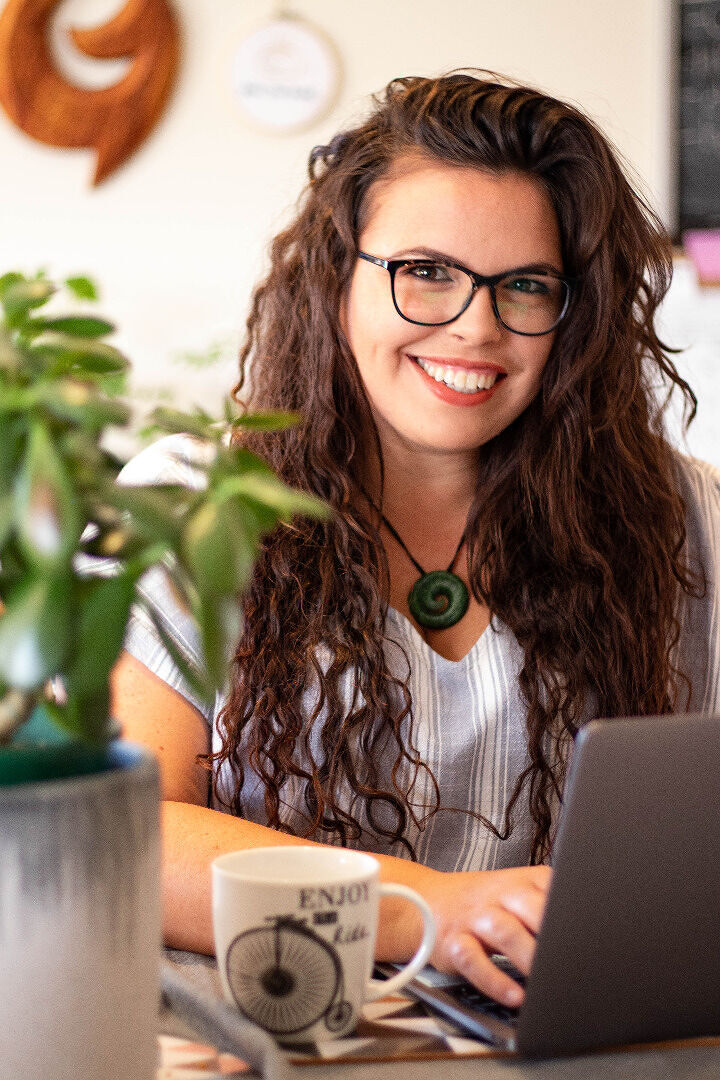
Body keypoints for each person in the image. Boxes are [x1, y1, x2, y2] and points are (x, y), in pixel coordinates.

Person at [111, 71, 720, 1010]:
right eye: (427, 272)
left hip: (557, 1043)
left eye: (526, 286)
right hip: (256, 1041)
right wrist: (432, 907)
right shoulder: (191, 502)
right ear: (336, 279)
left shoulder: (682, 515)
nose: (476, 328)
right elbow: (129, 836)